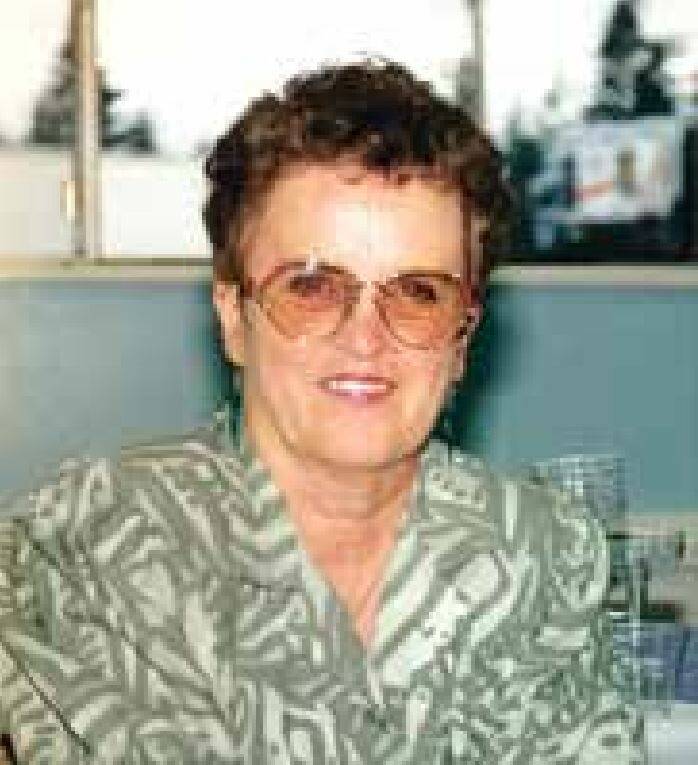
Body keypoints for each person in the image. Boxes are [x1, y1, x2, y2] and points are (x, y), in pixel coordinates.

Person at [0, 59, 645, 763]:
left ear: (462, 337)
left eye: (419, 293)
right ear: (234, 316)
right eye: (310, 287)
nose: (365, 338)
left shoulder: (544, 556)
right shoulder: (91, 544)